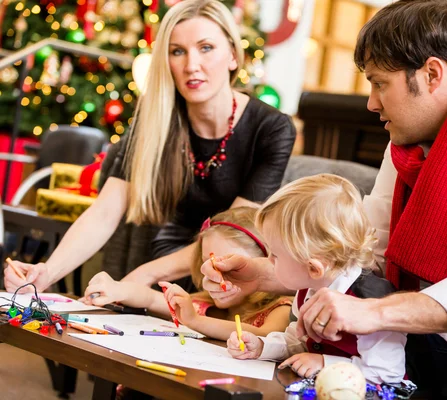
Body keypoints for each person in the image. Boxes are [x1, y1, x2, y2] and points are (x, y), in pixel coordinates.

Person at [201, 1, 447, 399]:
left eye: (379, 83)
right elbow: (363, 252)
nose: (372, 103)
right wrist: (268, 273)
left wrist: (375, 313)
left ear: (431, 74)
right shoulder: (408, 147)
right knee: (371, 324)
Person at [4, 0, 295, 294]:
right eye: (177, 51)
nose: (191, 65)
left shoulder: (272, 129)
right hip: (161, 262)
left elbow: (235, 235)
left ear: (233, 55)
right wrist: (46, 272)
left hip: (228, 276)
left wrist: (142, 276)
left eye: (206, 48)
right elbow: (104, 212)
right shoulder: (154, 119)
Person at [226, 174, 406, 384]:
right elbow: (298, 341)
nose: (268, 260)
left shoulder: (370, 304)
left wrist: (324, 363)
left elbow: (388, 372)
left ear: (313, 267)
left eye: (275, 254)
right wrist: (262, 347)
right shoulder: (309, 287)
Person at [82, 207, 292, 340]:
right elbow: (150, 298)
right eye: (206, 265)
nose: (214, 276)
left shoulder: (280, 309)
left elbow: (267, 337)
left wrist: (196, 321)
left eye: (227, 266)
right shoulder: (202, 303)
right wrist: (117, 289)